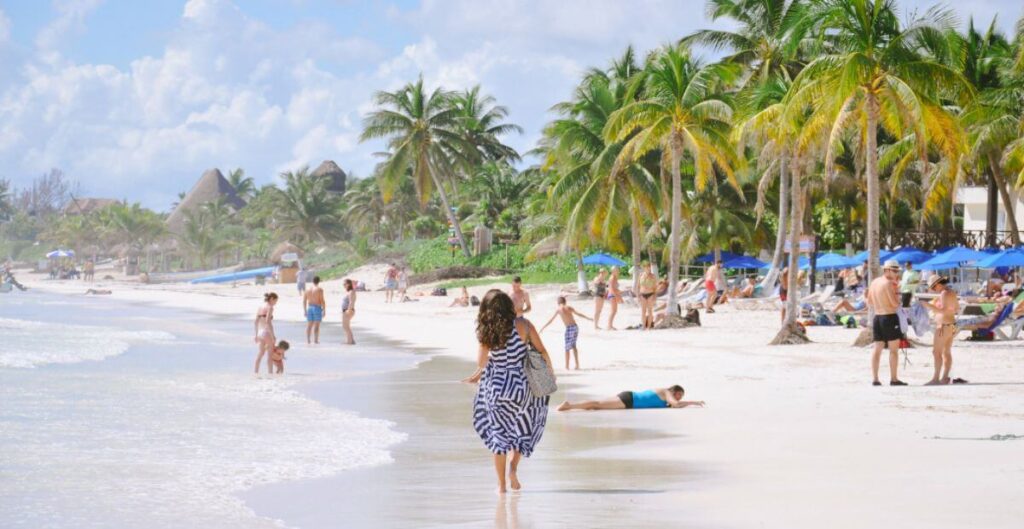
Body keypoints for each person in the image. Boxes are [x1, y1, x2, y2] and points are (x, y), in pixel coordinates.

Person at [463, 290, 554, 494]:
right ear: (508, 306)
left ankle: (501, 486)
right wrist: (550, 373)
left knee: (499, 437)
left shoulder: (487, 331)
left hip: (496, 388)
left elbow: (481, 362)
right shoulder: (524, 326)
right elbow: (542, 351)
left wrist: (489, 344)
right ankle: (513, 468)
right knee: (523, 428)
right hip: (521, 387)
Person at [866, 260, 906, 386]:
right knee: (893, 351)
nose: (896, 273)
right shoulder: (888, 284)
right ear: (887, 270)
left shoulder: (874, 282)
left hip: (877, 317)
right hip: (889, 317)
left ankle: (875, 378)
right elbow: (895, 304)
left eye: (897, 270)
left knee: (877, 349)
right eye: (894, 270)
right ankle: (894, 379)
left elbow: (870, 302)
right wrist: (898, 294)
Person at [920, 275, 964, 385]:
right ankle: (945, 377)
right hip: (951, 325)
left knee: (936, 352)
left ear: (938, 284)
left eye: (933, 288)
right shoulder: (951, 292)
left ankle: (936, 378)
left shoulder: (944, 293)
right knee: (946, 352)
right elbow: (957, 308)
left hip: (943, 326)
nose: (933, 290)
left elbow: (943, 311)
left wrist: (928, 305)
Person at [540, 296, 593, 370]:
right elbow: (579, 314)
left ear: (558, 303)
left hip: (569, 328)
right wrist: (588, 318)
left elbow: (551, 320)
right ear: (565, 302)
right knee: (573, 346)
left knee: (567, 348)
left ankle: (567, 366)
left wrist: (543, 327)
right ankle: (575, 365)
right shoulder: (568, 307)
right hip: (574, 327)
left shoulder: (558, 309)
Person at [557, 385, 704, 411]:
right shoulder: (666, 392)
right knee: (597, 405)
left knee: (596, 406)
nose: (679, 398)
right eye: (679, 394)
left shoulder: (666, 400)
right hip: (629, 400)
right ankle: (569, 406)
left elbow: (674, 405)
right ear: (674, 391)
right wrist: (694, 402)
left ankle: (573, 406)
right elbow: (676, 404)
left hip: (629, 399)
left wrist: (691, 402)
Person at [253, 292, 278, 375]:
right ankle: (270, 374)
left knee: (261, 353)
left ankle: (255, 372)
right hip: (266, 332)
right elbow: (268, 321)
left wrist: (256, 335)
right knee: (270, 355)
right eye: (275, 301)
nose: (275, 303)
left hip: (260, 332)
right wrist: (273, 335)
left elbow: (256, 322)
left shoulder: (260, 306)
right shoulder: (270, 307)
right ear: (271, 299)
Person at [303, 275, 326, 345]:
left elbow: (304, 301)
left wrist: (305, 310)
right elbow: (322, 300)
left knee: (309, 325)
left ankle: (308, 340)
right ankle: (315, 340)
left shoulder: (307, 290)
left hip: (309, 307)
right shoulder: (319, 289)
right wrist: (324, 309)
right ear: (319, 281)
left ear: (312, 281)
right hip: (317, 307)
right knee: (316, 325)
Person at [638, 262, 657, 329]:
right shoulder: (641, 275)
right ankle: (643, 326)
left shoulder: (653, 276)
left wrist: (655, 297)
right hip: (642, 294)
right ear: (644, 268)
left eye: (649, 267)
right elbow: (638, 286)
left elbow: (655, 287)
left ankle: (649, 326)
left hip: (650, 294)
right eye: (646, 267)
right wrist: (638, 296)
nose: (648, 268)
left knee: (650, 311)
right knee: (643, 311)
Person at [340, 279, 357, 345]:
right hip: (346, 310)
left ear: (349, 284)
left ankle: (349, 342)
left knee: (346, 326)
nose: (343, 285)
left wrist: (348, 310)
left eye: (345, 284)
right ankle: (351, 340)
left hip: (348, 310)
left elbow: (351, 302)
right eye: (343, 284)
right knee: (346, 326)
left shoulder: (351, 292)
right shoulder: (349, 291)